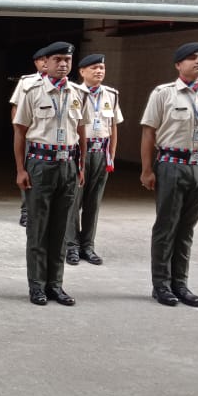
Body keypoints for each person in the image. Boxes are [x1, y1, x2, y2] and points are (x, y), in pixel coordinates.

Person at [140, 42, 198, 307]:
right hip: (171, 165)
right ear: (178, 65)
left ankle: (180, 284)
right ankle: (161, 285)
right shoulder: (164, 93)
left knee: (187, 229)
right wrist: (146, 169)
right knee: (167, 226)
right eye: (191, 58)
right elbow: (148, 132)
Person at [12, 41, 87, 307]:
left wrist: (81, 166)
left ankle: (55, 284)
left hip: (68, 164)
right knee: (38, 228)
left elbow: (81, 132)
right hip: (40, 165)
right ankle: (37, 285)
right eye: (58, 59)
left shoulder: (78, 93)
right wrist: (21, 169)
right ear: (46, 62)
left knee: (61, 228)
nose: (64, 64)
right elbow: (20, 131)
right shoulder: (32, 91)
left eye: (68, 59)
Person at [65, 54, 122, 266]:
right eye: (94, 68)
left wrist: (112, 154)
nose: (99, 71)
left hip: (101, 152)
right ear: (82, 71)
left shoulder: (111, 95)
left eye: (102, 68)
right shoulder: (73, 93)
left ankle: (87, 245)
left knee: (93, 202)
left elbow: (113, 125)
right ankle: (70, 245)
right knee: (74, 200)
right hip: (80, 151)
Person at [10, 47, 48, 227]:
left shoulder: (65, 85)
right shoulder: (27, 81)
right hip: (28, 134)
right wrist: (18, 130)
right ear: (36, 63)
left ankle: (40, 210)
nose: (44, 63)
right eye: (41, 60)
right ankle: (26, 210)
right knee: (26, 171)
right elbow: (16, 107)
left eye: (47, 59)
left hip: (46, 137)